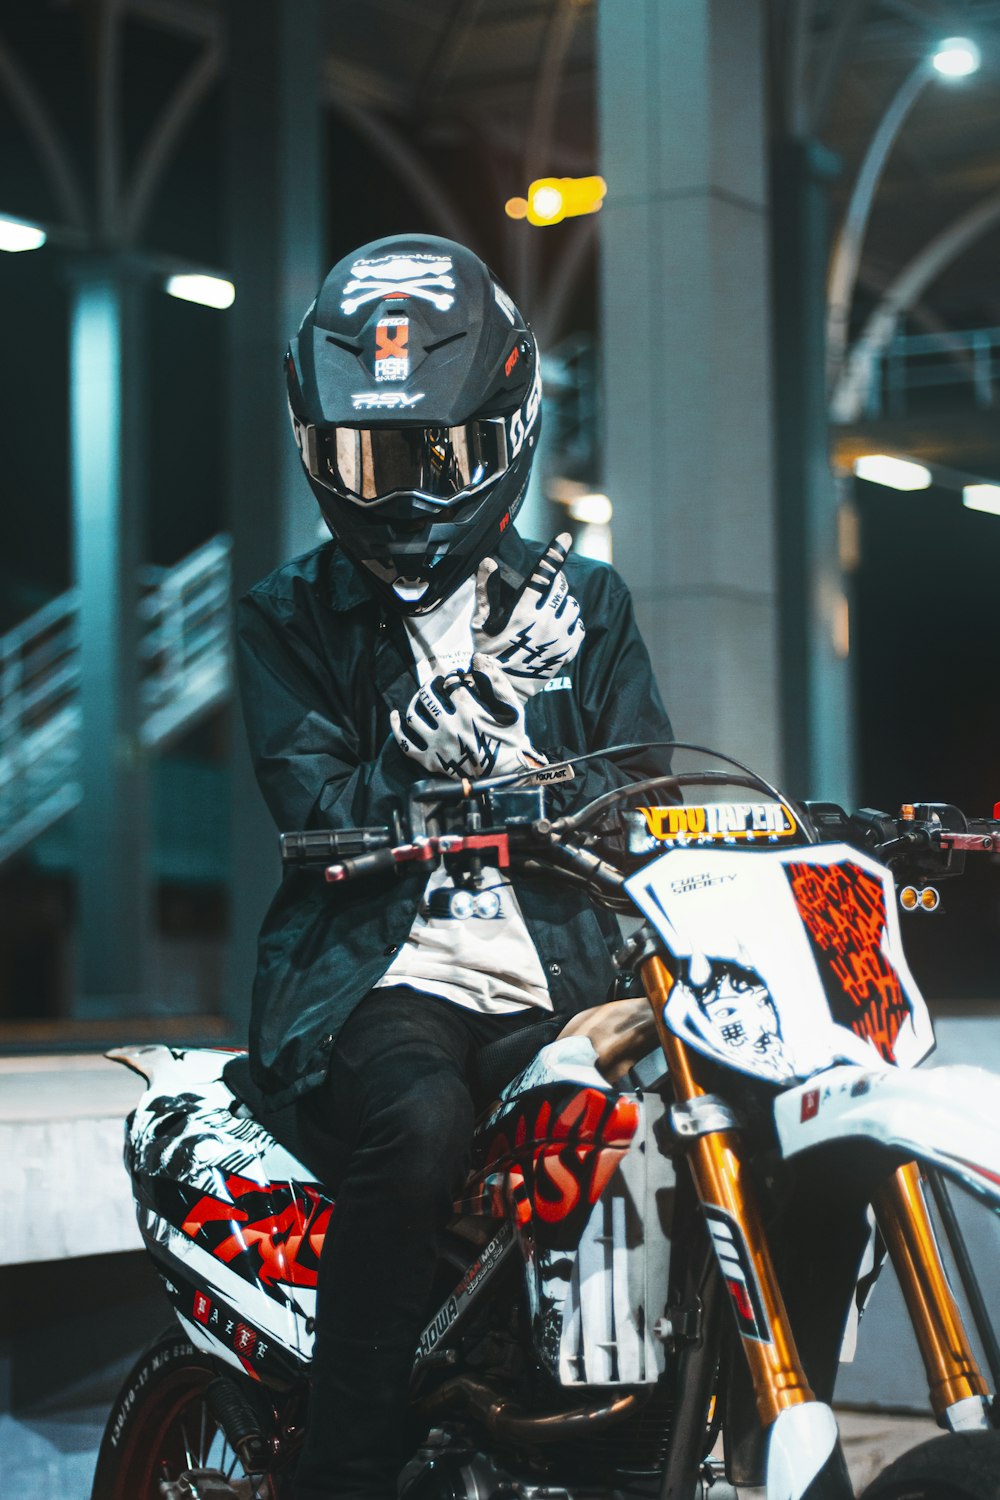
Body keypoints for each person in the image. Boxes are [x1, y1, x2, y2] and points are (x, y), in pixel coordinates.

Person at [236, 233, 674, 1500]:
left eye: (440, 453)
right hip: (386, 978)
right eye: (372, 457)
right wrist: (417, 765)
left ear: (510, 421)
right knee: (421, 1125)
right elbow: (310, 806)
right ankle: (349, 1464)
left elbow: (645, 786)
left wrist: (533, 757)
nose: (409, 492)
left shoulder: (583, 599)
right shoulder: (288, 614)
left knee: (674, 1121)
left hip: (564, 969)